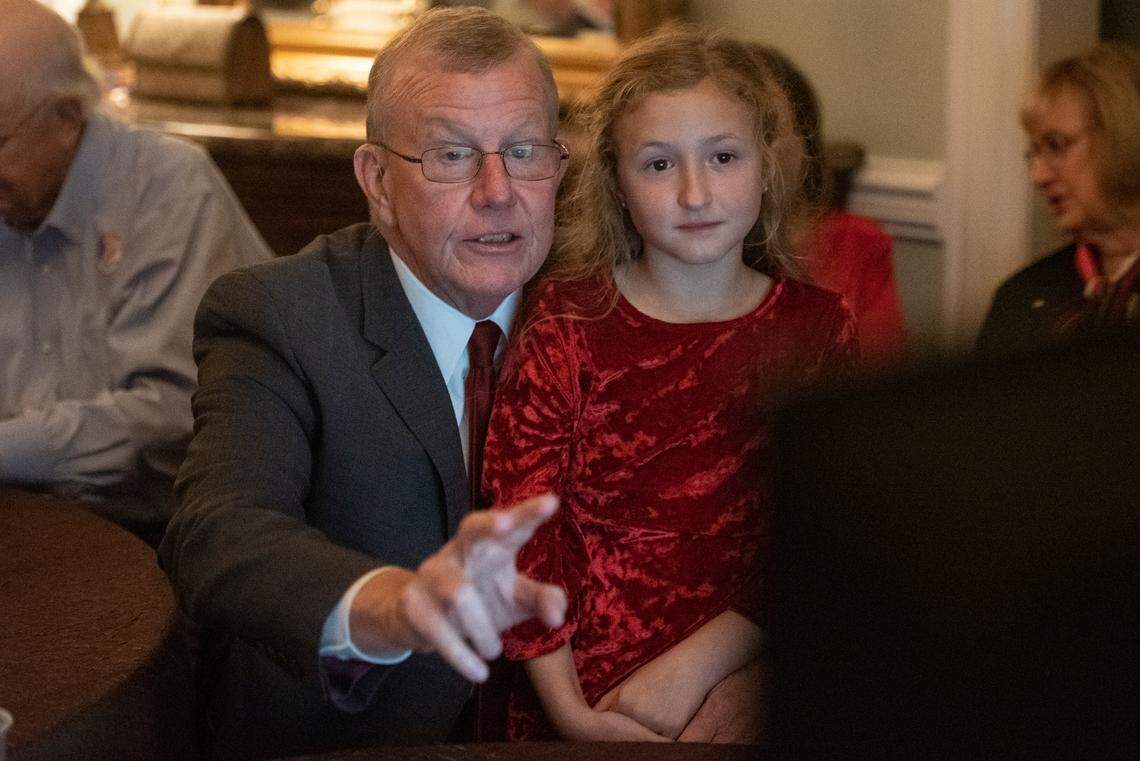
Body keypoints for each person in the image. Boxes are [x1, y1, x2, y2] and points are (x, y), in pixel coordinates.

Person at [158, 7, 571, 759]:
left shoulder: (603, 308)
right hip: (354, 739)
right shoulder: (280, 313)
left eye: (522, 150)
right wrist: (395, 604)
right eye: (451, 155)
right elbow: (217, 532)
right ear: (377, 181)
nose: (497, 190)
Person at [481, 26, 859, 742]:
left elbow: (823, 536)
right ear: (616, 181)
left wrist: (705, 664)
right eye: (658, 164)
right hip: (578, 696)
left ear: (767, 166)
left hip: (748, 686)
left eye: (722, 156)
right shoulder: (567, 322)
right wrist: (572, 715)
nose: (695, 192)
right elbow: (520, 531)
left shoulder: (818, 329)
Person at [0, 0, 272, 541]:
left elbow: (172, 420)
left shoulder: (169, 191)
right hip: (31, 524)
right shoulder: (14, 194)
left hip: (175, 537)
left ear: (68, 116)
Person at [977, 43, 1140, 355]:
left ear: (1124, 136)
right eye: (1034, 153)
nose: (1038, 176)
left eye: (1056, 145)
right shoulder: (1021, 297)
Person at [751, 44, 907, 367]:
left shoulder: (856, 244)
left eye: (767, 133)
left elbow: (883, 382)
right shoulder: (692, 252)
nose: (755, 157)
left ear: (805, 145)